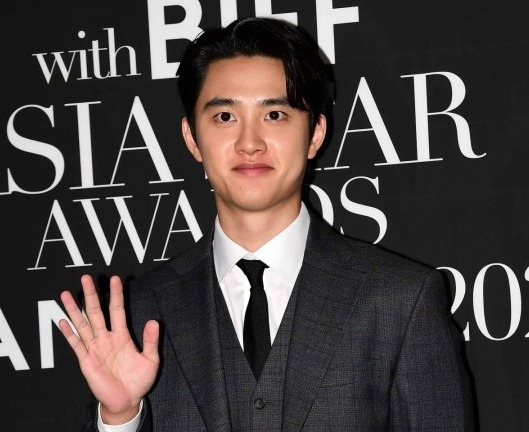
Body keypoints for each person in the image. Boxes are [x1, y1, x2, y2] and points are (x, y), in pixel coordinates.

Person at [59, 16, 474, 431]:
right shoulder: (136, 315)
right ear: (192, 138)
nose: (249, 143)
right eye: (225, 117)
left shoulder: (400, 302)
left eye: (274, 114)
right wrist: (120, 418)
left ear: (315, 134)